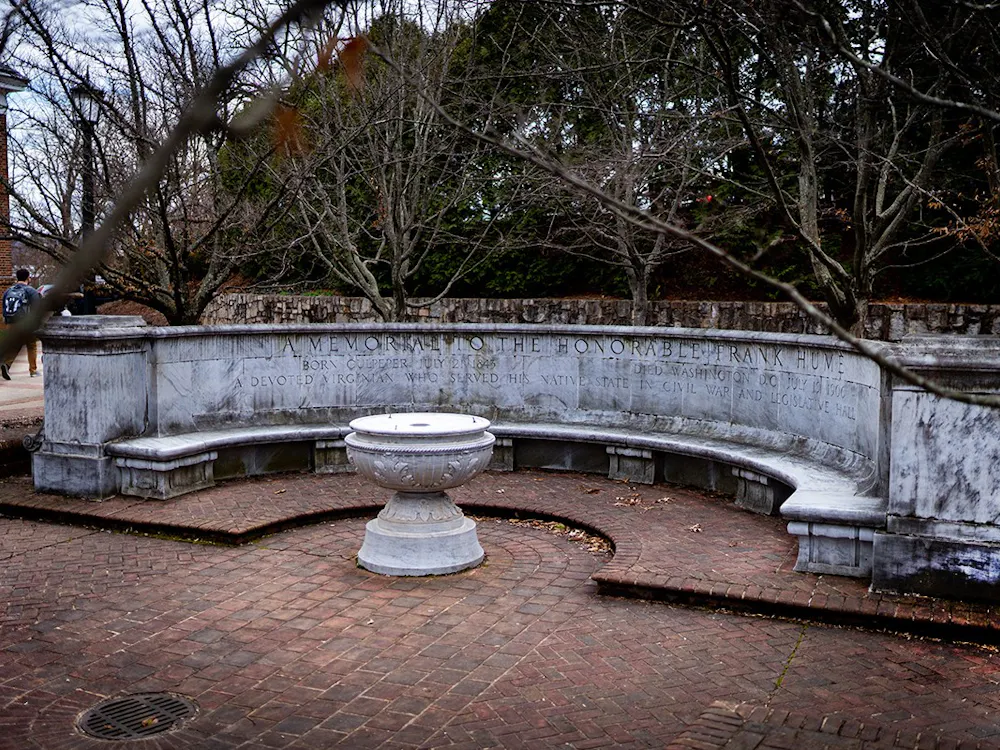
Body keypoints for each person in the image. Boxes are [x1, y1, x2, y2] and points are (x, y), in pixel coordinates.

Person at [1, 269, 42, 380]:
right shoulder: (31, 291)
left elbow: (4, 307)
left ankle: (7, 364)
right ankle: (33, 370)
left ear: (17, 278)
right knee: (31, 345)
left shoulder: (8, 291)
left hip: (11, 322)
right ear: (28, 278)